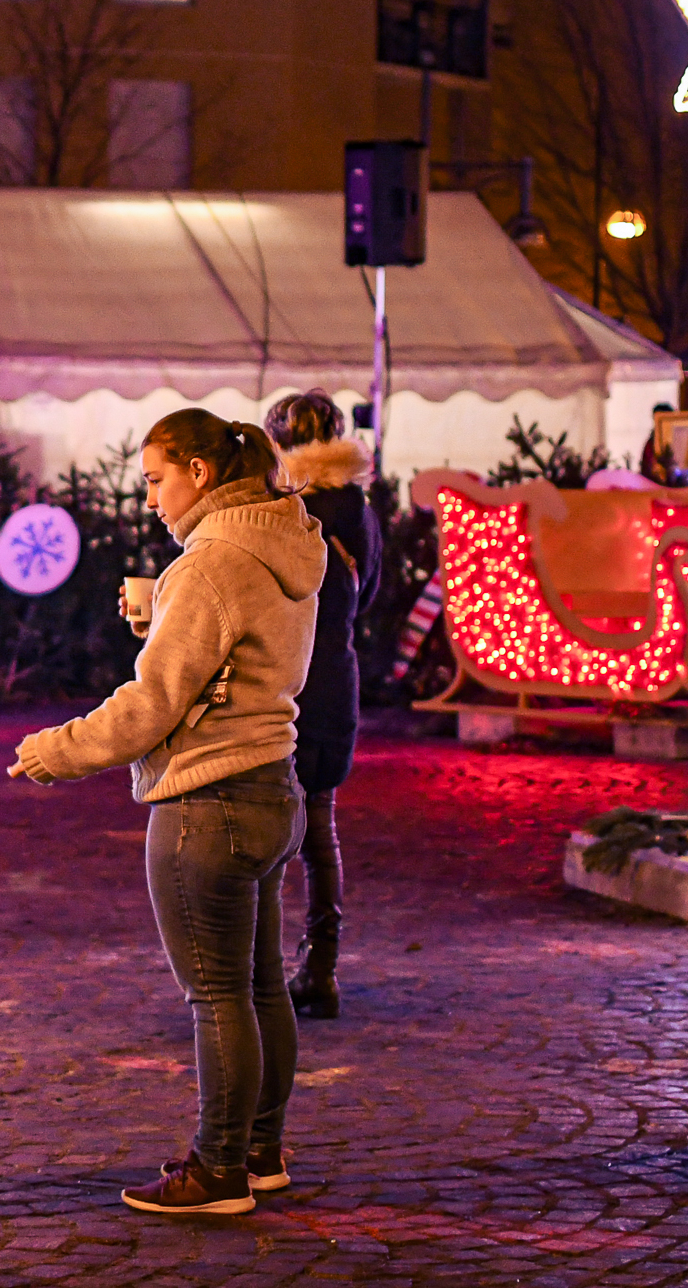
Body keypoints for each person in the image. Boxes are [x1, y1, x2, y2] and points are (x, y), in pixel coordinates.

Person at [8, 409, 324, 1217]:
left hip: (205, 802)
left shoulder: (211, 563)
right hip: (271, 786)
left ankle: (216, 1171)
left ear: (201, 473)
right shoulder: (289, 543)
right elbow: (239, 663)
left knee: (218, 994)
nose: (150, 499)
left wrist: (59, 750)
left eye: (156, 480)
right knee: (259, 990)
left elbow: (152, 705)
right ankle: (260, 1152)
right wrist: (161, 620)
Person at [264, 391, 380, 1021]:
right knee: (320, 827)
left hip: (287, 683)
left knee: (269, 828)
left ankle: (264, 967)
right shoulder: (358, 510)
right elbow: (368, 596)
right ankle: (320, 966)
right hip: (338, 675)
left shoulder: (286, 514)